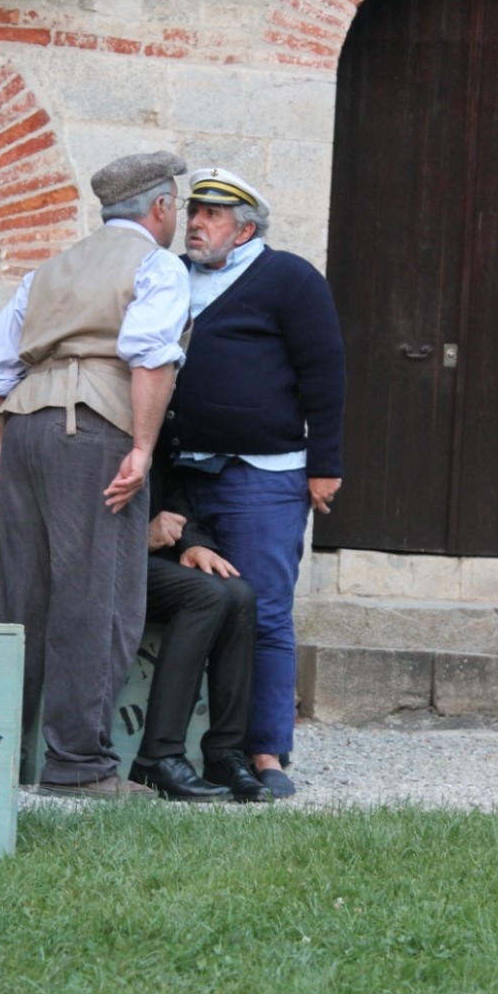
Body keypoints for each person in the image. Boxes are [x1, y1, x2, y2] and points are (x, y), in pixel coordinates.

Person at [0, 150, 191, 797]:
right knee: (99, 596)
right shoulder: (157, 266)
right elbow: (150, 356)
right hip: (94, 433)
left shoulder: (50, 270)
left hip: (26, 431)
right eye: (176, 204)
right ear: (160, 207)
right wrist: (142, 449)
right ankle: (78, 765)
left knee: (21, 597)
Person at [160, 167, 346, 799]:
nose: (195, 224)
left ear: (244, 230)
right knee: (201, 606)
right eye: (193, 212)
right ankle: (191, 750)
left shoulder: (289, 278)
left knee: (263, 612)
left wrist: (325, 463)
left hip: (262, 477)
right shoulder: (171, 277)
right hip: (182, 472)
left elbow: (324, 371)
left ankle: (265, 752)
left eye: (211, 216)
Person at [128, 454, 273, 803]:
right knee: (206, 595)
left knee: (240, 594)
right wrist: (138, 534)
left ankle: (224, 754)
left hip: (153, 557)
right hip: (104, 559)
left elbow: (173, 486)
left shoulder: (155, 427)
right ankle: (158, 756)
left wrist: (191, 540)